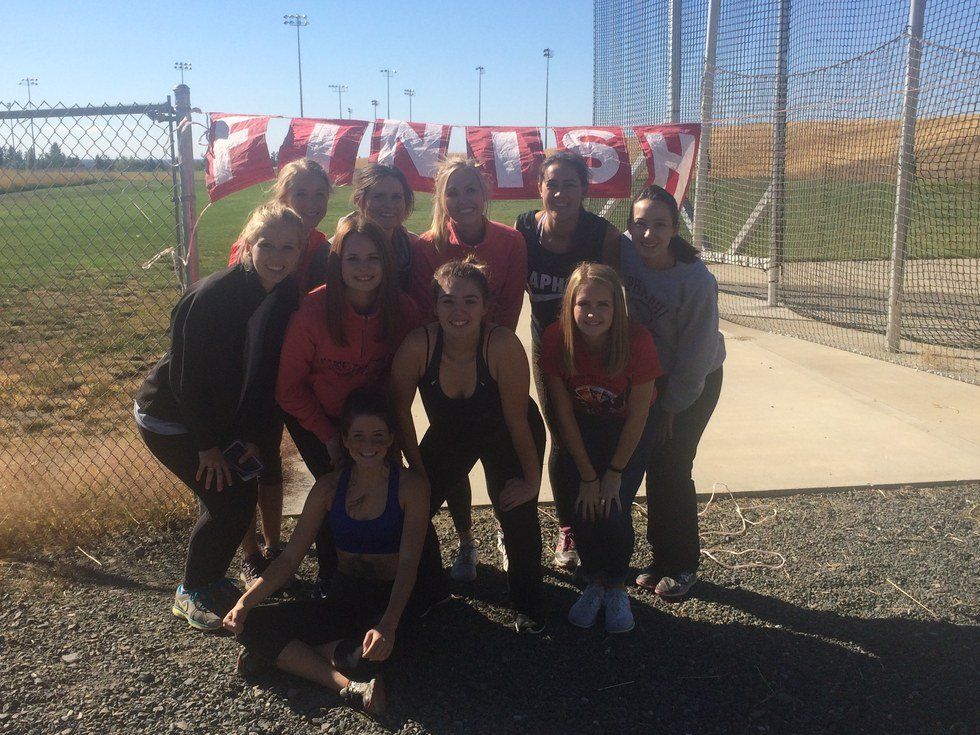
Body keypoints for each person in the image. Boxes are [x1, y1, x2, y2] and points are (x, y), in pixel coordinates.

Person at [134, 202, 304, 631]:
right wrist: (208, 446)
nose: (277, 256)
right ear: (248, 243)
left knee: (240, 488)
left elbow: (264, 372)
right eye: (267, 244)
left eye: (289, 247)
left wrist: (248, 435)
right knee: (228, 498)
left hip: (219, 418)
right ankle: (191, 591)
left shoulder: (284, 294)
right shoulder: (211, 296)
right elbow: (186, 379)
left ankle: (209, 579)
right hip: (171, 416)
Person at [224, 390, 429, 717]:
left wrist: (389, 624)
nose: (369, 445)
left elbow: (408, 564)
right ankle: (348, 688)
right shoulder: (329, 489)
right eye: (358, 436)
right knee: (250, 624)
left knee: (377, 652)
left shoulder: (410, 488)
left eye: (378, 435)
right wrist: (245, 601)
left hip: (389, 599)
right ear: (345, 440)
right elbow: (289, 559)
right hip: (343, 596)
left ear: (391, 438)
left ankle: (284, 656)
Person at [390, 258, 547, 632]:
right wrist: (417, 473)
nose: (458, 311)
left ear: (485, 306)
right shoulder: (418, 346)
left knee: (516, 508)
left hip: (508, 433)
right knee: (412, 508)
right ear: (434, 306)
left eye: (469, 301)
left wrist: (531, 481)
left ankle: (528, 602)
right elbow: (399, 415)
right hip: (451, 433)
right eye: (448, 301)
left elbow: (516, 420)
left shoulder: (502, 345)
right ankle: (432, 590)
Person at [276, 214, 418, 586]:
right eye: (352, 259)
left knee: (383, 488)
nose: (364, 268)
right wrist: (327, 436)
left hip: (375, 423)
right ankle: (332, 576)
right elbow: (288, 388)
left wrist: (391, 430)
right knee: (334, 488)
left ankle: (395, 576)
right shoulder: (312, 311)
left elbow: (413, 371)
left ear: (386, 262)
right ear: (336, 263)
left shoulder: (403, 310)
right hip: (320, 419)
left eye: (373, 258)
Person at [409, 156, 529, 581]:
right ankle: (465, 540)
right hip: (443, 369)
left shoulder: (511, 242)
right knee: (450, 453)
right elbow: (432, 316)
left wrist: (489, 360)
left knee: (501, 456)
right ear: (440, 197)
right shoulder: (427, 246)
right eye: (452, 191)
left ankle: (507, 529)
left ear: (485, 193)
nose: (463, 200)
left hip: (491, 364)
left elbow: (507, 312)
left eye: (471, 189)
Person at [226, 158, 333, 585]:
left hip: (296, 366)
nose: (310, 203)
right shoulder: (259, 240)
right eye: (299, 194)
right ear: (282, 196)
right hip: (255, 368)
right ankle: (251, 553)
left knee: (271, 459)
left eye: (319, 194)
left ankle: (275, 545)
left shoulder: (323, 243)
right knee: (248, 459)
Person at [539, 264, 662, 632]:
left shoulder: (636, 340)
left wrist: (613, 474)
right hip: (586, 424)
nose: (592, 313)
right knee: (583, 499)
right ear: (569, 306)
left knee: (613, 503)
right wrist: (588, 476)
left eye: (603, 304)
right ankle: (593, 579)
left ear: (617, 307)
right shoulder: (555, 338)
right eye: (583, 303)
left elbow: (639, 414)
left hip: (629, 428)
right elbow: (563, 413)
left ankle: (617, 582)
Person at [516, 150, 622, 571]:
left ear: (584, 190)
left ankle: (605, 511)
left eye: (570, 184)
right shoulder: (522, 230)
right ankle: (568, 526)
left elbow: (621, 289)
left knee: (598, 424)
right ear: (539, 187)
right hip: (550, 346)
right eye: (552, 184)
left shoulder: (602, 236)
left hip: (594, 344)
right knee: (562, 431)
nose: (560, 192)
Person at [620, 185, 726, 598]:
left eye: (659, 225)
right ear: (629, 227)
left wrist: (672, 407)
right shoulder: (628, 254)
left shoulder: (696, 280)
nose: (649, 234)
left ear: (674, 228)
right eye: (640, 224)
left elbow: (697, 353)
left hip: (692, 380)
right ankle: (660, 557)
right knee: (648, 464)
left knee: (671, 466)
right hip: (650, 377)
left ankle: (682, 564)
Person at [346, 163, 417, 292]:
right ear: (358, 200)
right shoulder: (338, 248)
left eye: (396, 197)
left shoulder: (414, 246)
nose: (389, 205)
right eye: (379, 197)